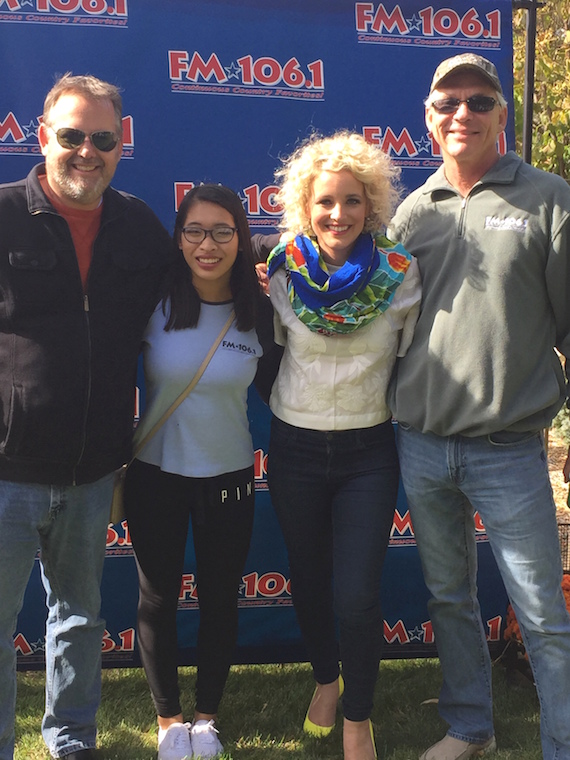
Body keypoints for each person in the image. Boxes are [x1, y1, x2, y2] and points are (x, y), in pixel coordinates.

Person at [387, 53, 570, 760]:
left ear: (501, 114)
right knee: (449, 601)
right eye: (447, 102)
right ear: (429, 121)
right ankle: (472, 727)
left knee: (544, 618)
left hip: (509, 448)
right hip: (423, 443)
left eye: (477, 100)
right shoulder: (411, 211)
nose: (461, 112)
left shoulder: (549, 197)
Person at [0, 74, 171, 760]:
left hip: (96, 469)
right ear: (42, 137)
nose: (86, 152)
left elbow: (198, 286)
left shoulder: (139, 223)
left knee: (78, 618)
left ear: (120, 146)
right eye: (71, 136)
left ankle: (72, 742)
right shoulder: (5, 211)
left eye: (102, 139)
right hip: (7, 469)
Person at [264, 131, 421, 760]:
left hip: (368, 452)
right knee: (308, 578)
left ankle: (359, 716)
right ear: (306, 206)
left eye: (352, 201)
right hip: (295, 446)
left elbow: (411, 363)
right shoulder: (281, 271)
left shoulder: (402, 277)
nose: (338, 214)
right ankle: (326, 682)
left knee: (356, 593)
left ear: (371, 205)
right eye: (325, 201)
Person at [123, 184, 279, 760]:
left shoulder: (261, 308)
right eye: (194, 231)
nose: (207, 245)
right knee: (157, 599)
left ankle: (207, 720)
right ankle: (169, 723)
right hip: (154, 474)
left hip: (230, 478)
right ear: (178, 238)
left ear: (242, 240)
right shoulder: (154, 299)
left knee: (219, 598)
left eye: (222, 232)